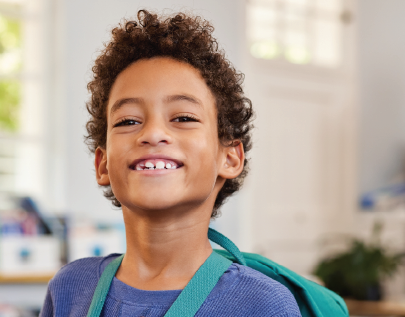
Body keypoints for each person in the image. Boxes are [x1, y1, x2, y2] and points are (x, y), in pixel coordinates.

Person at [41, 9, 302, 317]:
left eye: (183, 118)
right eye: (127, 121)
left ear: (229, 157)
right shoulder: (69, 288)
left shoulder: (262, 304)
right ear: (103, 164)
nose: (152, 133)